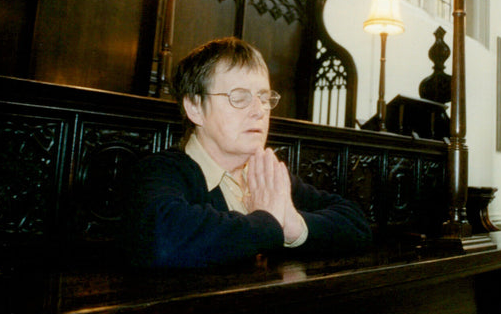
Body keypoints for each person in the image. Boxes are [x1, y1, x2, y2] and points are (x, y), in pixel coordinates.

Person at [124, 37, 372, 267]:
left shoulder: (264, 175)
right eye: (239, 98)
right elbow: (163, 238)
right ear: (195, 107)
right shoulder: (160, 171)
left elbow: (356, 222)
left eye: (264, 98)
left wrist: (293, 227)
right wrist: (269, 221)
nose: (259, 111)